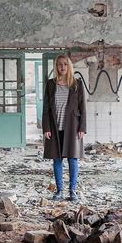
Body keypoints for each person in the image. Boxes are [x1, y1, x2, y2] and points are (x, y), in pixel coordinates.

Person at [42, 54, 87, 202]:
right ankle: (59, 191)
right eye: (60, 64)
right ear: (56, 66)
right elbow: (46, 108)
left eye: (65, 64)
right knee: (57, 159)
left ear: (69, 66)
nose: (62, 67)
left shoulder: (76, 84)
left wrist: (82, 127)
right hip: (55, 128)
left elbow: (83, 108)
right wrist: (46, 127)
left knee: (73, 159)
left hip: (72, 128)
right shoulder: (50, 84)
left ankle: (72, 191)